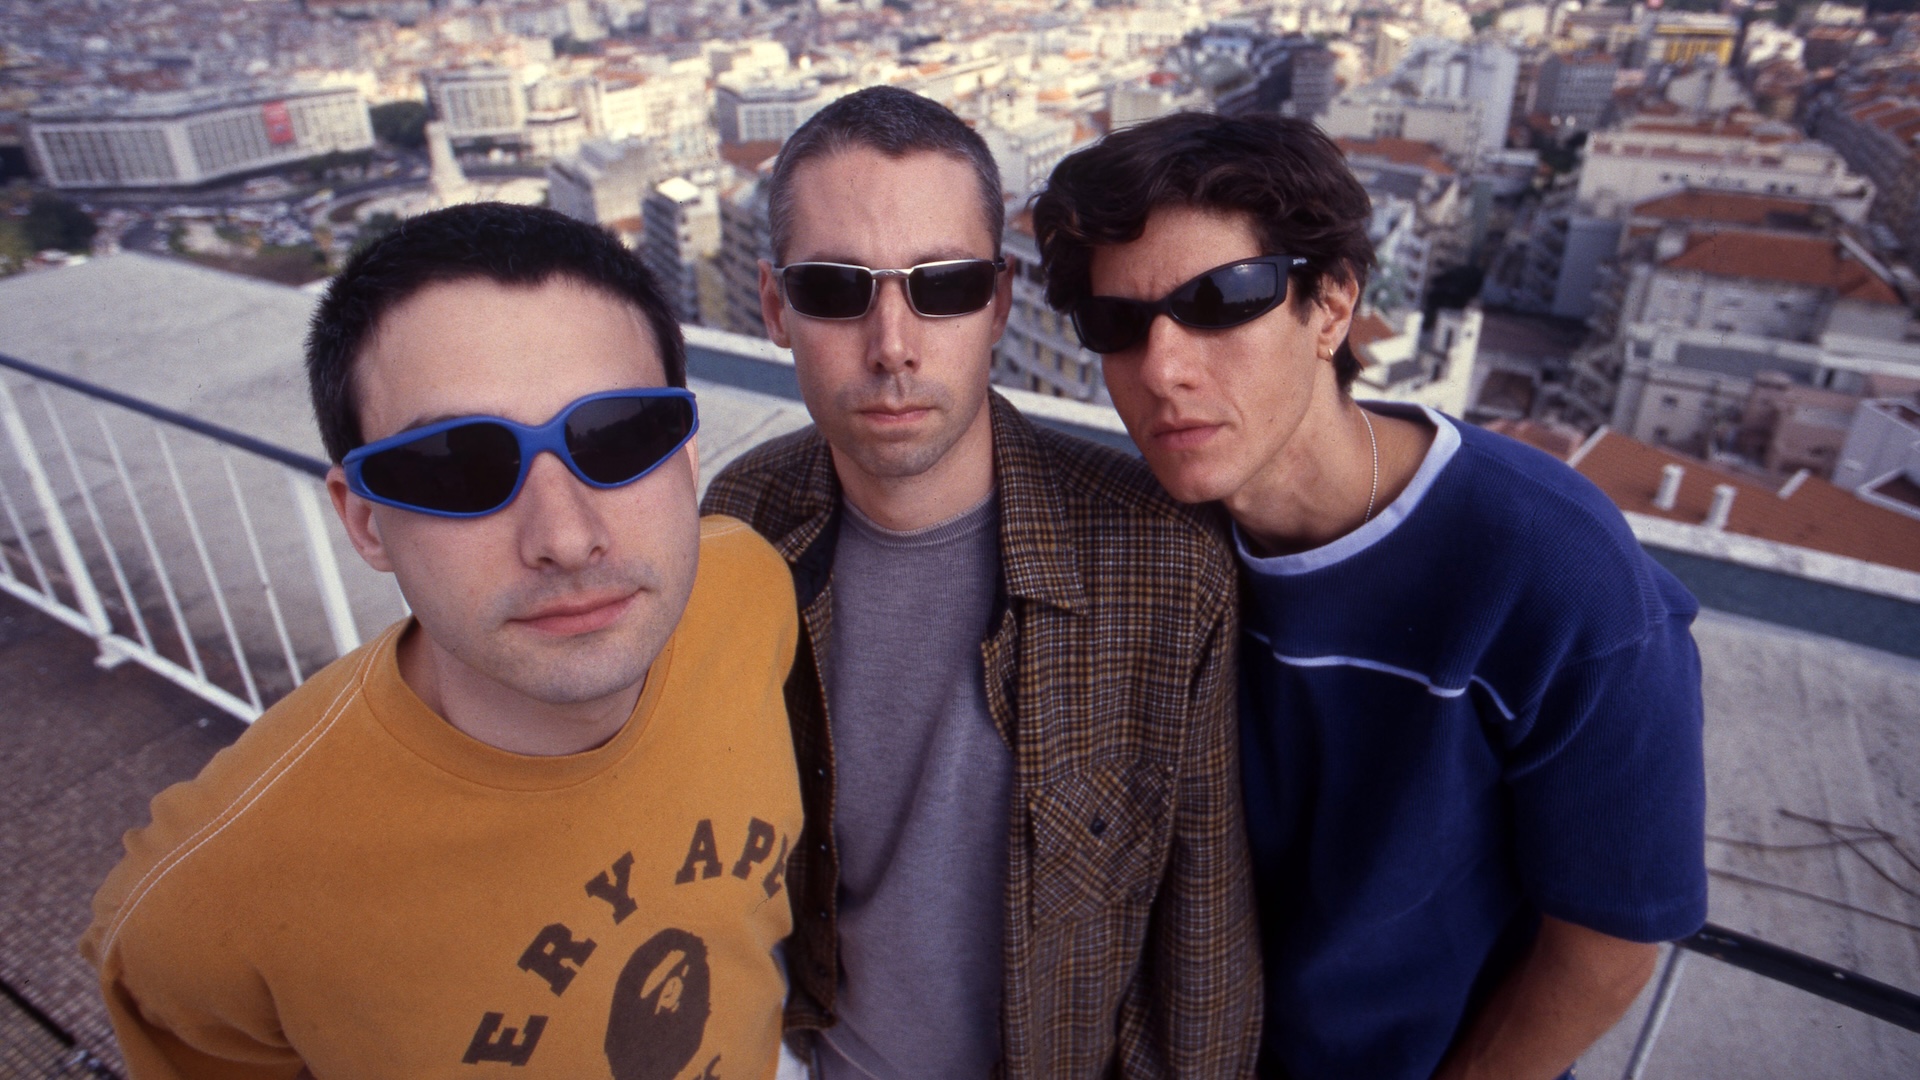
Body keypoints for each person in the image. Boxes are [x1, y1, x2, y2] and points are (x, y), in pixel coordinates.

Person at [1031, 112, 1707, 1080]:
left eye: (1222, 300)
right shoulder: (1157, 543)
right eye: (1117, 323)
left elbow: (1609, 938)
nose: (1164, 368)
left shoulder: (1548, 570)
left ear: (1333, 304)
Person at [81, 203, 803, 1080]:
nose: (566, 537)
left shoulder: (751, 592)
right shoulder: (210, 904)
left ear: (687, 459)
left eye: (619, 436)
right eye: (461, 465)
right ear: (366, 521)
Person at [701, 87, 1260, 1078]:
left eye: (943, 286)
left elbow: (1204, 941)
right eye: (835, 290)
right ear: (774, 305)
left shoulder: (1161, 562)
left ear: (1000, 299)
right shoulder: (742, 523)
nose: (893, 346)